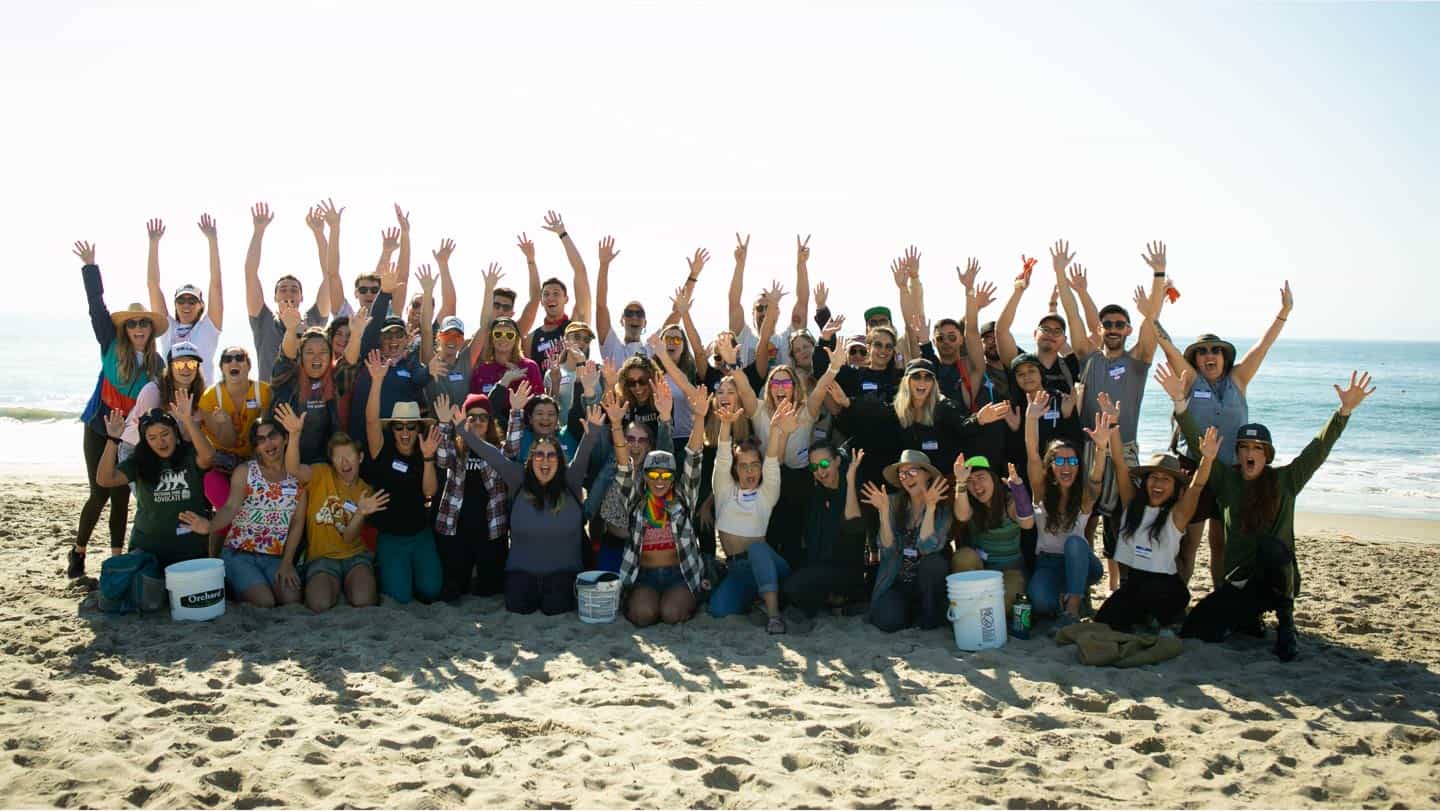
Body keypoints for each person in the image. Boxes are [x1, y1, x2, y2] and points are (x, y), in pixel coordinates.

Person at [1169, 366, 1374, 661]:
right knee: (1195, 628)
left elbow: (1318, 449)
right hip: (1239, 581)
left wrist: (1343, 412)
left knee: (1271, 548)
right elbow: (1198, 444)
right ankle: (1248, 619)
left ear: (1267, 455)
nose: (1249, 453)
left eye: (1257, 448)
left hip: (1278, 581)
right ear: (1237, 453)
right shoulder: (1227, 480)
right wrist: (1180, 405)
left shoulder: (1286, 480)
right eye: (1243, 447)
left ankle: (1286, 625)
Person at [1149, 282, 1295, 587]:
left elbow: (1263, 347)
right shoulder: (1189, 381)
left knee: (1222, 544)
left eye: (1215, 350)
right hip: (1193, 469)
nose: (1209, 354)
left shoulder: (1238, 379)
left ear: (1225, 357)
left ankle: (1220, 599)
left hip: (1232, 472)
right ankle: (1178, 600)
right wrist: (1151, 315)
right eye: (1202, 352)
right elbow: (1167, 345)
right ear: (1196, 359)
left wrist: (1283, 313)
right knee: (1188, 543)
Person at [73, 240, 167, 578]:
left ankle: (114, 558)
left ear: (150, 330)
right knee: (99, 494)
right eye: (133, 324)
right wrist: (90, 267)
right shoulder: (110, 345)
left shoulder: (157, 364)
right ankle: (79, 552)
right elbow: (96, 306)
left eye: (144, 324)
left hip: (128, 435)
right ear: (125, 329)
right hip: (99, 427)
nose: (139, 328)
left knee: (122, 499)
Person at [462, 401, 603, 615]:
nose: (545, 461)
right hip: (521, 572)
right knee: (519, 606)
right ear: (530, 460)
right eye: (539, 455)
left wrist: (591, 432)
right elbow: (492, 455)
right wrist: (461, 430)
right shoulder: (518, 478)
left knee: (554, 607)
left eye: (551, 455)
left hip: (563, 573)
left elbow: (583, 453)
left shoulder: (570, 480)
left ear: (560, 460)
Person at [1094, 422, 1219, 632]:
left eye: (1166, 479)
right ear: (1144, 482)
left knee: (1152, 602)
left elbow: (1197, 486)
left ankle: (1158, 619)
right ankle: (1144, 618)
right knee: (1103, 621)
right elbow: (1119, 465)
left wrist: (1208, 458)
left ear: (1175, 487)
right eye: (1154, 477)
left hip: (1166, 588)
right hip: (1134, 584)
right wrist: (1114, 427)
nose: (1158, 484)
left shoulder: (1177, 515)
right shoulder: (1131, 505)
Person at [612, 387, 711, 626]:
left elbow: (693, 457)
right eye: (653, 474)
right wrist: (616, 425)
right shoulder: (636, 499)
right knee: (643, 616)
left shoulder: (682, 497)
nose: (659, 480)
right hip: (644, 576)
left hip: (679, 574)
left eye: (665, 475)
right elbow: (625, 468)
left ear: (672, 477)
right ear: (645, 476)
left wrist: (699, 417)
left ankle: (696, 592)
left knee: (671, 614)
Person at [182, 417, 305, 608]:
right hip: (239, 553)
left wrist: (287, 563)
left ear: (285, 438)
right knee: (265, 602)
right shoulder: (246, 470)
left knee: (292, 599)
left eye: (272, 436)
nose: (268, 444)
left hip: (274, 556)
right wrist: (210, 526)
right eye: (261, 440)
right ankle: (230, 579)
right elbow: (231, 507)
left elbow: (297, 522)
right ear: (256, 447)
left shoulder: (298, 476)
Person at [728, 359, 839, 568]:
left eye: (786, 383)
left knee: (794, 537)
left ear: (795, 388)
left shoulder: (807, 412)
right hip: (767, 480)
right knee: (769, 534)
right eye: (775, 383)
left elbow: (822, 388)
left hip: (799, 480)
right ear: (769, 388)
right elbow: (744, 388)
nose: (780, 388)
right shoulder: (759, 410)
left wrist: (834, 366)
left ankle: (793, 585)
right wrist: (732, 363)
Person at [278, 406, 384, 613]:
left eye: (349, 456)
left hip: (355, 557)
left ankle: (352, 585)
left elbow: (349, 537)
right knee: (319, 604)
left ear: (360, 457)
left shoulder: (366, 491)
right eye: (338, 458)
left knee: (364, 600)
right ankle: (336, 587)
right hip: (322, 559)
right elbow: (292, 470)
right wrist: (294, 435)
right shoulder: (321, 474)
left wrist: (361, 513)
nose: (345, 463)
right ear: (332, 462)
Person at [708, 400, 800, 633]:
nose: (750, 470)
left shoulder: (767, 493)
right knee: (718, 610)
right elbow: (722, 458)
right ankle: (758, 600)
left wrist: (776, 431)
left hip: (769, 565)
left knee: (757, 549)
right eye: (744, 465)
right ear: (735, 469)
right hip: (738, 570)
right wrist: (726, 425)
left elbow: (771, 461)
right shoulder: (724, 491)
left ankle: (774, 616)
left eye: (754, 465)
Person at [362, 352, 443, 604]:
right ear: (392, 429)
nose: (405, 432)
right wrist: (377, 381)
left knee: (431, 591)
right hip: (391, 537)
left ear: (418, 428)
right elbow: (371, 421)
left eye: (411, 426)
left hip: (420, 535)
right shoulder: (382, 450)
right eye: (399, 426)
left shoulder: (425, 451)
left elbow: (429, 491)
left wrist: (429, 458)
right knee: (400, 597)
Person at [95, 399, 215, 568]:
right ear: (145, 441)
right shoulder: (138, 462)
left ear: (175, 433)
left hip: (189, 549)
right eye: (152, 438)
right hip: (147, 550)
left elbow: (209, 456)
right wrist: (113, 439)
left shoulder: (189, 456)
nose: (160, 442)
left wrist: (188, 420)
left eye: (165, 434)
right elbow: (104, 479)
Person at [1023, 393, 1107, 626]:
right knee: (1040, 602)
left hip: (1082, 562)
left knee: (1075, 543)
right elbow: (1032, 454)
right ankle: (1067, 594)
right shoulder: (1040, 492)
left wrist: (1101, 447)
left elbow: (1097, 477)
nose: (1066, 466)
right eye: (1059, 461)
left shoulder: (1084, 496)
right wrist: (1031, 420)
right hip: (1048, 563)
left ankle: (1072, 608)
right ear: (1050, 467)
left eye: (1072, 461)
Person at [862, 449, 953, 632]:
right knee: (888, 621)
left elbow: (926, 547)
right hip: (897, 579)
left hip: (926, 584)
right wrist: (884, 513)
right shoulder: (893, 502)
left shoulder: (942, 507)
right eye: (902, 474)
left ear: (927, 474)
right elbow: (887, 548)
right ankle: (909, 613)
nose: (906, 478)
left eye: (912, 472)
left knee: (933, 563)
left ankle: (926, 613)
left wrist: (930, 507)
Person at [432, 393, 510, 601]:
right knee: (456, 588)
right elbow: (441, 461)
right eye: (472, 417)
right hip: (457, 527)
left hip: (490, 528)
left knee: (491, 588)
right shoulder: (457, 449)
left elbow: (513, 450)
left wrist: (517, 412)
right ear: (463, 421)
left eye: (483, 417)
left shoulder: (498, 449)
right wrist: (443, 423)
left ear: (490, 422)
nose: (477, 422)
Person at [586, 392, 674, 573]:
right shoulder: (610, 464)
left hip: (646, 549)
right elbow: (596, 432)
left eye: (642, 440)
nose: (635, 444)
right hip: (613, 545)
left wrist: (665, 418)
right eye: (630, 439)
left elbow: (667, 450)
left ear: (649, 446)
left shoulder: (656, 472)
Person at [347, 264, 432, 447]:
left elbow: (420, 379)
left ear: (406, 339)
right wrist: (384, 293)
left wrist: (430, 371)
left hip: (399, 442)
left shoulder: (410, 363)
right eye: (387, 335)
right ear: (379, 338)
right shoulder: (371, 355)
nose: (393, 340)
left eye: (398, 335)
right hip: (362, 440)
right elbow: (375, 322)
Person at [243, 203, 329, 382]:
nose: (288, 293)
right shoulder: (263, 320)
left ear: (301, 297)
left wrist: (319, 234)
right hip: (271, 400)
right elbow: (250, 273)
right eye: (283, 289)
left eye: (294, 290)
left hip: (307, 400)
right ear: (275, 296)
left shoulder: (313, 320)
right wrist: (258, 231)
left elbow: (331, 277)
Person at [783, 445, 869, 617]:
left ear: (837, 461)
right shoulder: (816, 494)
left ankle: (842, 601)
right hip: (820, 566)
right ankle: (833, 603)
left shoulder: (852, 489)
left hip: (846, 570)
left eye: (824, 463)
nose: (820, 471)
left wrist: (850, 479)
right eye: (814, 467)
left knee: (795, 587)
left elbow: (853, 526)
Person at [951, 455, 1036, 617]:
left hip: (1011, 571)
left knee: (998, 607)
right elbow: (962, 516)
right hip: (982, 571)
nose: (976, 485)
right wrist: (960, 483)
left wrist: (1018, 489)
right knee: (963, 556)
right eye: (970, 481)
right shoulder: (970, 503)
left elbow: (1027, 523)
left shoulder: (1008, 501)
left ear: (994, 479)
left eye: (981, 477)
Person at [198, 346, 272, 517]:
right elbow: (227, 442)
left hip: (256, 458)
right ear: (222, 368)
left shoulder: (264, 392)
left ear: (248, 365)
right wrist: (225, 425)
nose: (233, 362)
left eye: (239, 358)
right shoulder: (210, 398)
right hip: (223, 459)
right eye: (227, 359)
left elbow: (270, 436)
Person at [145, 215, 224, 371]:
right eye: (181, 301)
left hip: (202, 395)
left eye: (192, 301)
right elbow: (153, 285)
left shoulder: (209, 327)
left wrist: (212, 240)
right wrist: (153, 244)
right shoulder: (168, 328)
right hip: (171, 395)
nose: (186, 305)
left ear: (201, 306)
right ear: (175, 304)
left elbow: (216, 285)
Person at [518, 211, 593, 364]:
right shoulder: (531, 339)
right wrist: (531, 261)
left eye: (556, 293)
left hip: (578, 386)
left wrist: (563, 234)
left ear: (566, 299)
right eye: (546, 294)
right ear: (542, 301)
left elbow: (580, 272)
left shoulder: (575, 326)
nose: (550, 297)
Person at [271, 327, 341, 465]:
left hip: (321, 466)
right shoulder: (287, 379)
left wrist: (356, 335)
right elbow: (285, 358)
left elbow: (350, 364)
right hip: (283, 463)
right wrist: (291, 330)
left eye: (323, 352)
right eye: (309, 352)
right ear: (300, 356)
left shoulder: (335, 381)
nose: (317, 357)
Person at [121, 342, 206, 453]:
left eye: (191, 364)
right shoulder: (153, 391)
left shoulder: (202, 395)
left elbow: (188, 438)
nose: (186, 369)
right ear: (170, 367)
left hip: (174, 449)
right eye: (179, 364)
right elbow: (145, 432)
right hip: (136, 448)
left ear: (197, 368)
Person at [469, 316, 543, 420]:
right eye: (498, 334)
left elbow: (539, 404)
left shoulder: (529, 367)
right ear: (491, 338)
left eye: (509, 335)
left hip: (524, 428)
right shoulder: (481, 371)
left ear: (516, 339)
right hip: (492, 431)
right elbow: (476, 409)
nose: (503, 338)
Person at [594, 235, 648, 366]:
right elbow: (601, 306)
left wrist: (693, 277)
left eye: (639, 313)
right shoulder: (612, 347)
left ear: (645, 323)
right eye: (629, 313)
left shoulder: (652, 349)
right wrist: (604, 265)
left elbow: (678, 312)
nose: (634, 317)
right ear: (621, 320)